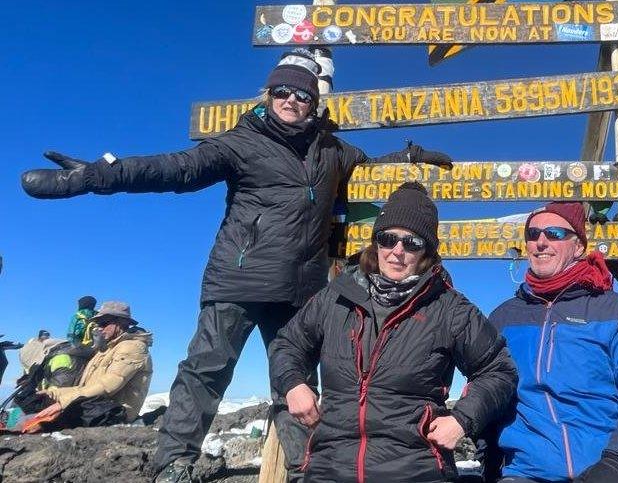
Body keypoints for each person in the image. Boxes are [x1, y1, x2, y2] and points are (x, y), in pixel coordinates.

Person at [20, 48, 453, 483]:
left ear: (314, 103)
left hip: (300, 291)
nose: (291, 100)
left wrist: (411, 158)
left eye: (301, 94)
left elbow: (368, 172)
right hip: (238, 281)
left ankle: (307, 468)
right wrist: (98, 176)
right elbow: (177, 169)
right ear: (268, 95)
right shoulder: (241, 142)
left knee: (297, 384)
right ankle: (174, 463)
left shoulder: (332, 150)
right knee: (205, 372)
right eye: (281, 91)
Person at [269, 182, 517, 483]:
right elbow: (287, 344)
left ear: (426, 251)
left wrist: (462, 420)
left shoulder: (449, 308)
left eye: (411, 242)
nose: (397, 251)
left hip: (414, 468)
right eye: (388, 239)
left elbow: (499, 371)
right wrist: (294, 383)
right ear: (377, 242)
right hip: (330, 467)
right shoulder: (335, 297)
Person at [484, 201, 618, 483]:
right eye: (532, 235)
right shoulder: (504, 317)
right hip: (526, 472)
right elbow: (484, 391)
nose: (541, 242)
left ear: (579, 246)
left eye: (555, 234)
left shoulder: (614, 311)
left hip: (613, 470)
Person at [32, 301, 153, 430]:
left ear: (121, 323)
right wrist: (53, 393)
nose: (99, 328)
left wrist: (63, 403)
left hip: (114, 412)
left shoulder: (132, 347)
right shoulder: (106, 349)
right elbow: (86, 389)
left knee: (63, 414)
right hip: (95, 404)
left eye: (104, 323)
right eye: (97, 324)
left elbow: (107, 386)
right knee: (37, 400)